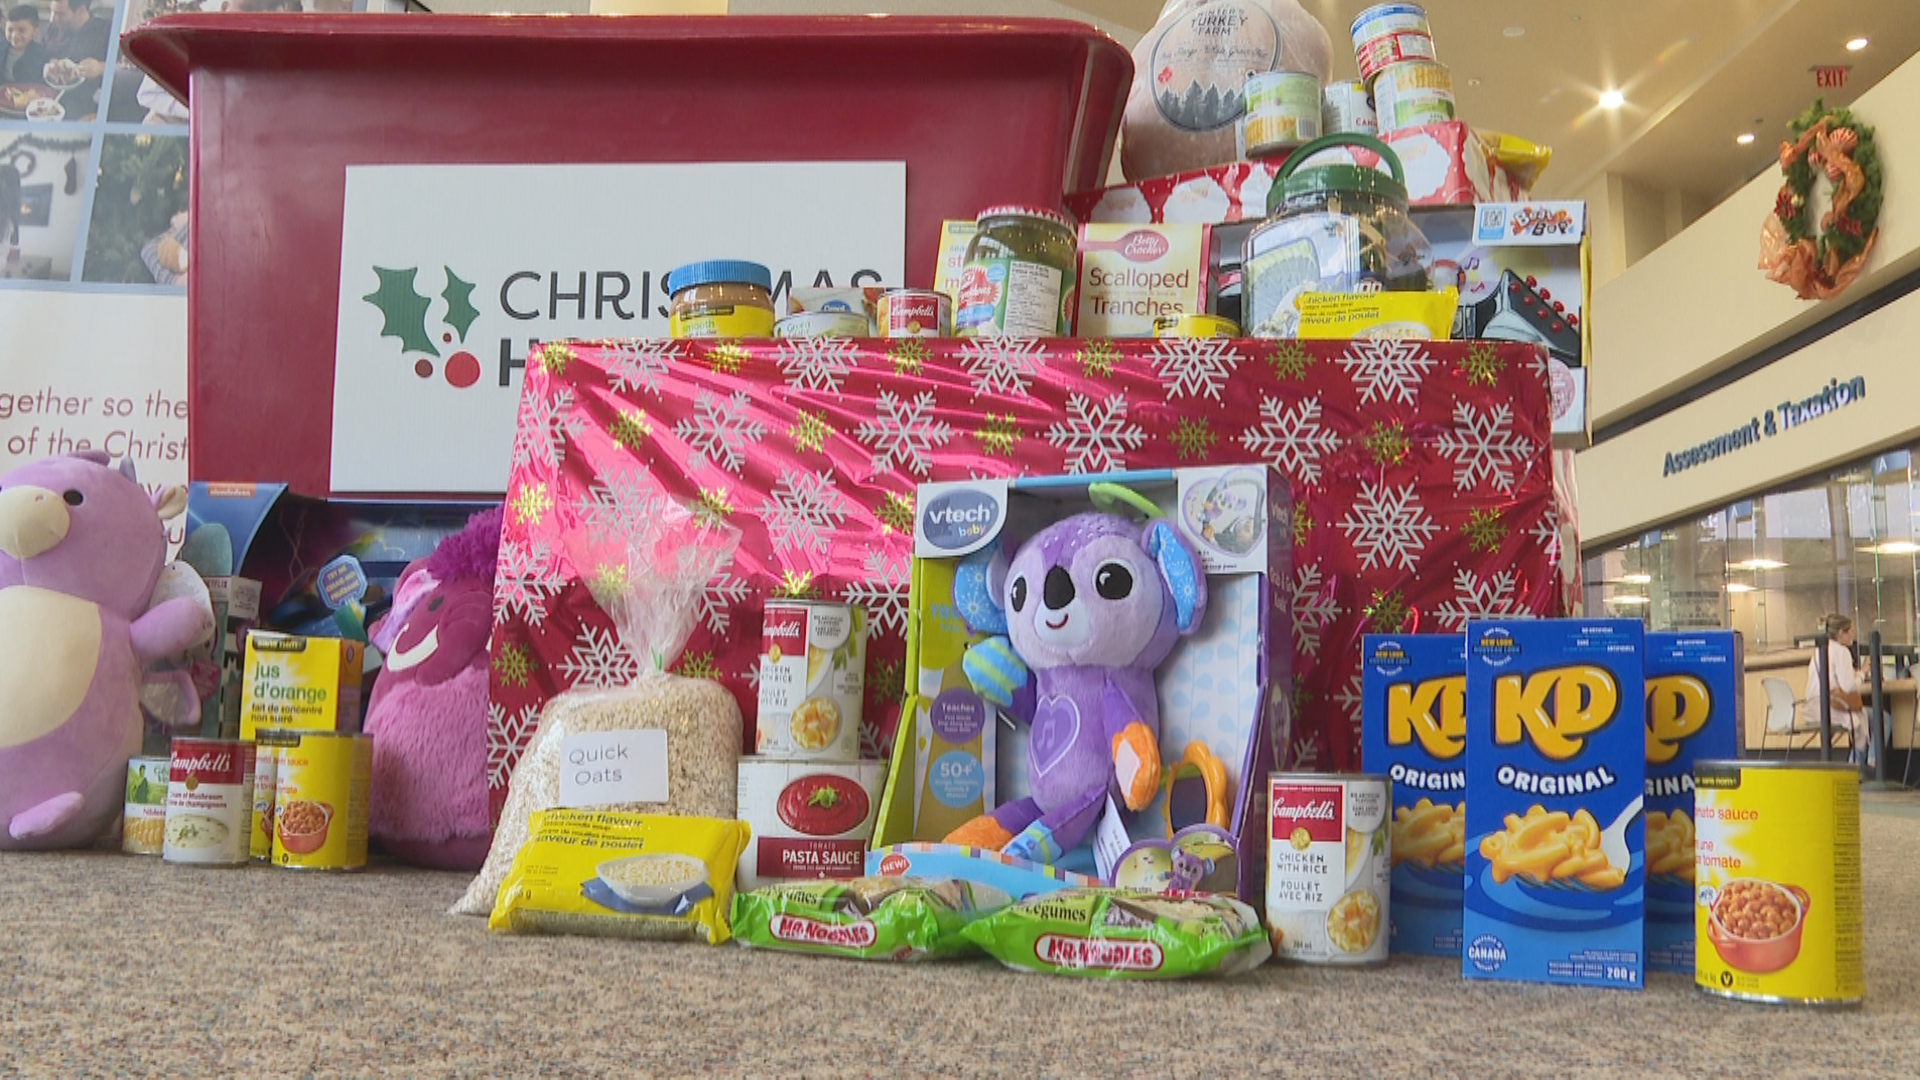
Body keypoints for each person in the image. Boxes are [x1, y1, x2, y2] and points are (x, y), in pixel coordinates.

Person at [1800, 614, 1882, 769]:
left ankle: (1860, 763)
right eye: (1850, 631)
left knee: (1867, 717)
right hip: (1833, 709)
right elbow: (1849, 687)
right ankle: (1866, 765)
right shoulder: (1842, 651)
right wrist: (1864, 673)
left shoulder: (1819, 651)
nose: (1853, 635)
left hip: (1813, 709)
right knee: (1881, 718)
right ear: (1840, 633)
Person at [3, 5, 52, 85]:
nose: (15, 35)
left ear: (35, 32)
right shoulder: (2, 47)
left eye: (21, 30)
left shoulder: (41, 54)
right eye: (10, 30)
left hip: (29, 90)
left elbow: (43, 81)